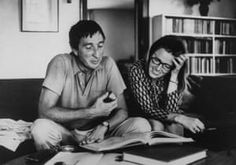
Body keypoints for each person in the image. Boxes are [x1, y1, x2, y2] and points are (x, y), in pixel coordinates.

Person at [31, 20, 151, 150]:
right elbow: (44, 112)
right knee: (40, 128)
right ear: (75, 49)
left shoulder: (108, 64)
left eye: (100, 46)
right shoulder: (60, 62)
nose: (97, 54)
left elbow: (122, 111)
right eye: (89, 47)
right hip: (67, 134)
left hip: (101, 133)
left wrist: (104, 126)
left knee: (141, 125)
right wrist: (91, 112)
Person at [128, 35, 205, 135]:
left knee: (174, 126)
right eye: (156, 60)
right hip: (140, 117)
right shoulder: (136, 69)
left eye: (166, 65)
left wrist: (174, 74)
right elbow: (148, 109)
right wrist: (179, 118)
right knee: (157, 125)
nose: (158, 68)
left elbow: (171, 111)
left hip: (165, 117)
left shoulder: (172, 73)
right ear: (150, 54)